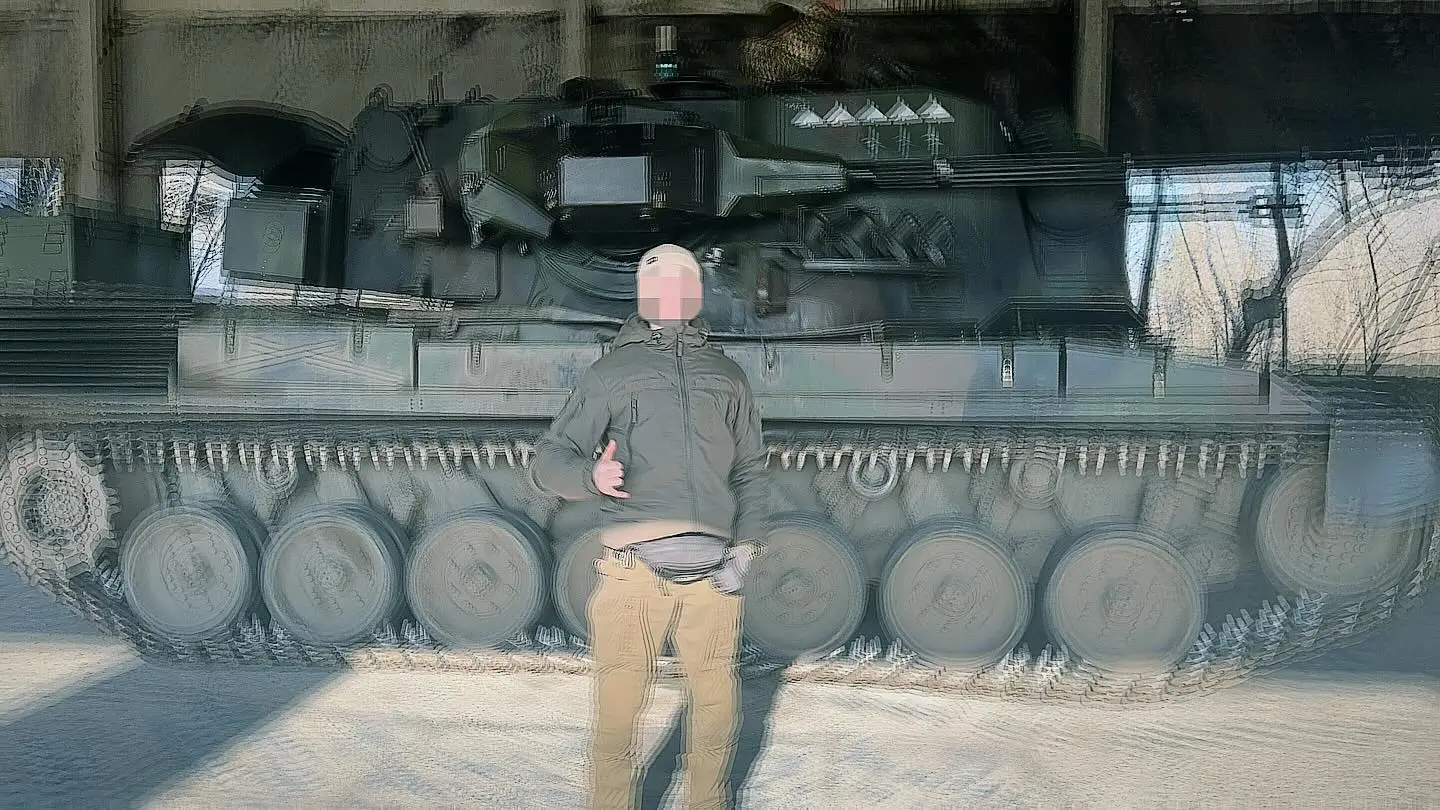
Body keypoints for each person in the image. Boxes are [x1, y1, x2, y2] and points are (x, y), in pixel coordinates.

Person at [530, 243, 772, 810]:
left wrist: (745, 553)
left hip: (713, 580)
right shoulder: (612, 371)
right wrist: (591, 474)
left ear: (695, 293)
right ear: (643, 296)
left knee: (715, 717)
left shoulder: (726, 374)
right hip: (633, 576)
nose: (671, 295)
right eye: (660, 284)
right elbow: (548, 460)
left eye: (681, 283)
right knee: (617, 718)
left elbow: (751, 471)